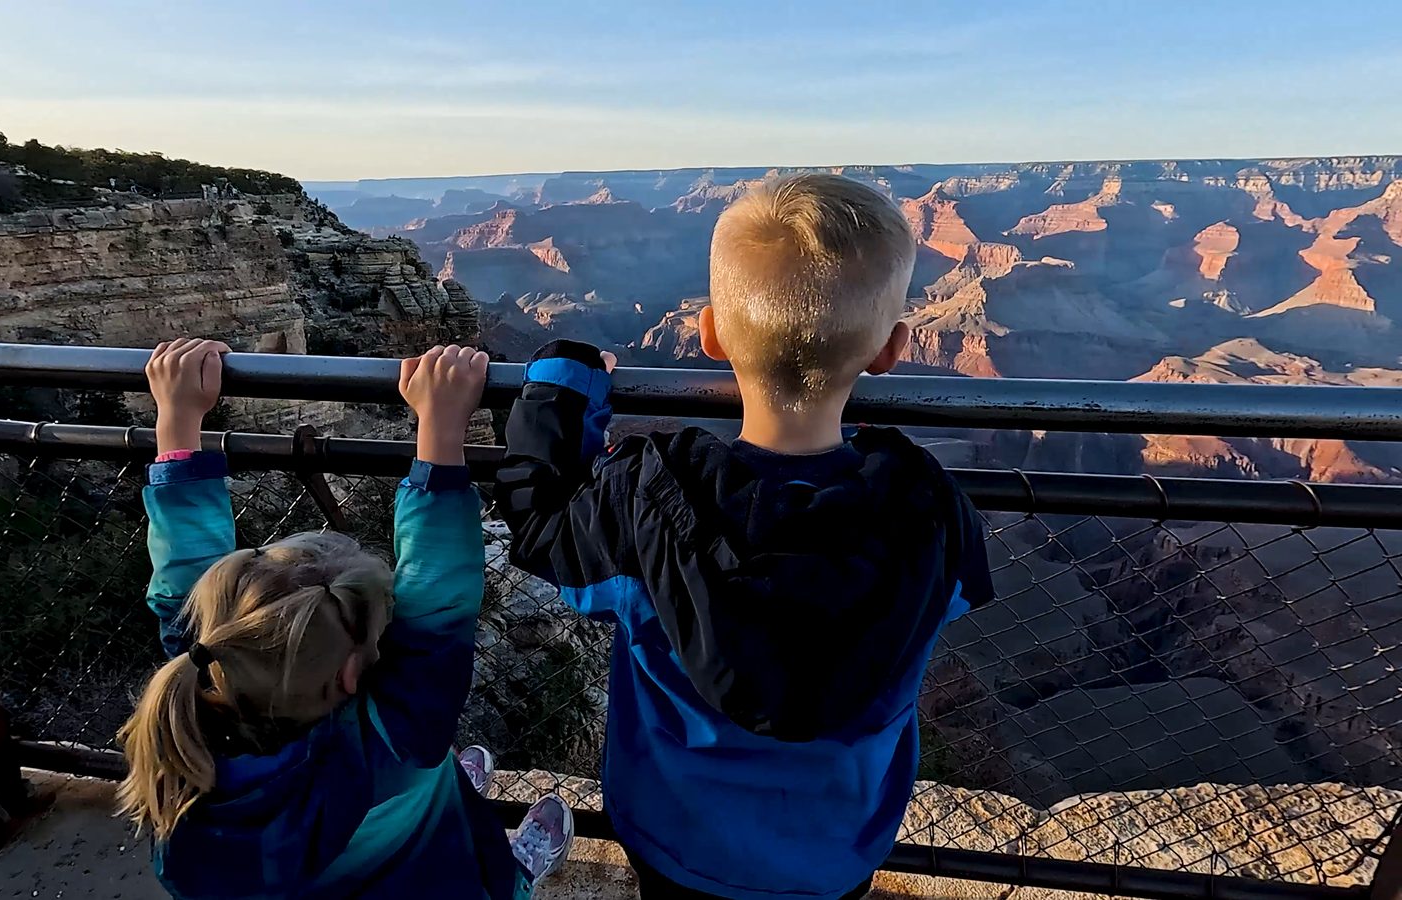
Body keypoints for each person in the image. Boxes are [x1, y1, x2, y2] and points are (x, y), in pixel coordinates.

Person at [494, 174, 995, 899]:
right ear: (891, 350)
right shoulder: (931, 511)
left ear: (709, 334)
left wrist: (560, 385)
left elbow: (541, 526)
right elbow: (954, 597)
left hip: (677, 844)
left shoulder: (644, 504)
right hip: (837, 852)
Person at [119, 338, 574, 899]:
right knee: (466, 843)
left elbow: (187, 586)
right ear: (351, 676)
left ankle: (438, 786)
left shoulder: (201, 690)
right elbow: (435, 602)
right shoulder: (393, 739)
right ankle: (516, 875)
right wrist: (440, 428)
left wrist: (177, 420)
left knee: (427, 769)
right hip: (437, 873)